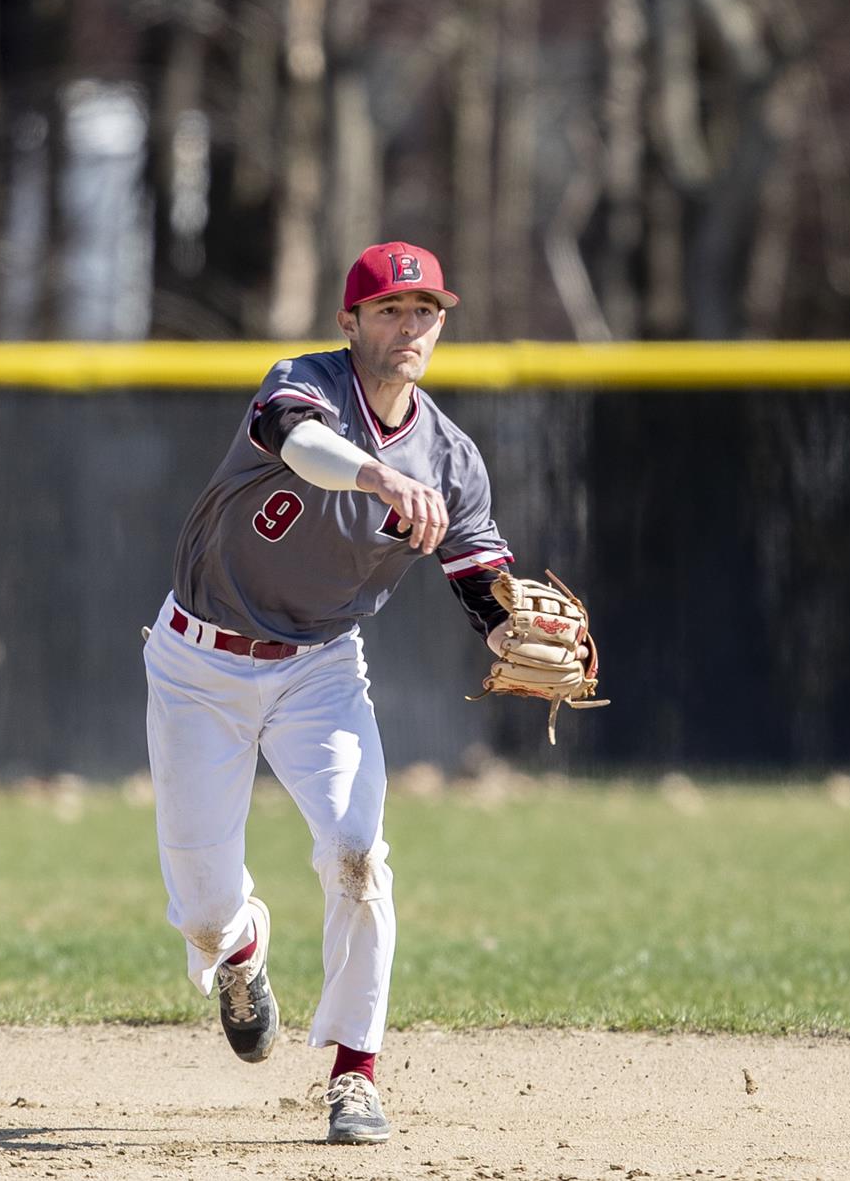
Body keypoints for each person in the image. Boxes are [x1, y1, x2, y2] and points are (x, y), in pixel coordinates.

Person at [141, 240, 522, 1145]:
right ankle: (239, 950)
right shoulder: (303, 383)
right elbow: (299, 441)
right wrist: (376, 473)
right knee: (203, 910)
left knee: (357, 853)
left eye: (426, 311)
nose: (410, 326)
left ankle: (355, 1073)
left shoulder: (450, 458)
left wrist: (511, 630)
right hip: (200, 662)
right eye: (390, 310)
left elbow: (480, 575)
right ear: (349, 322)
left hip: (319, 668)